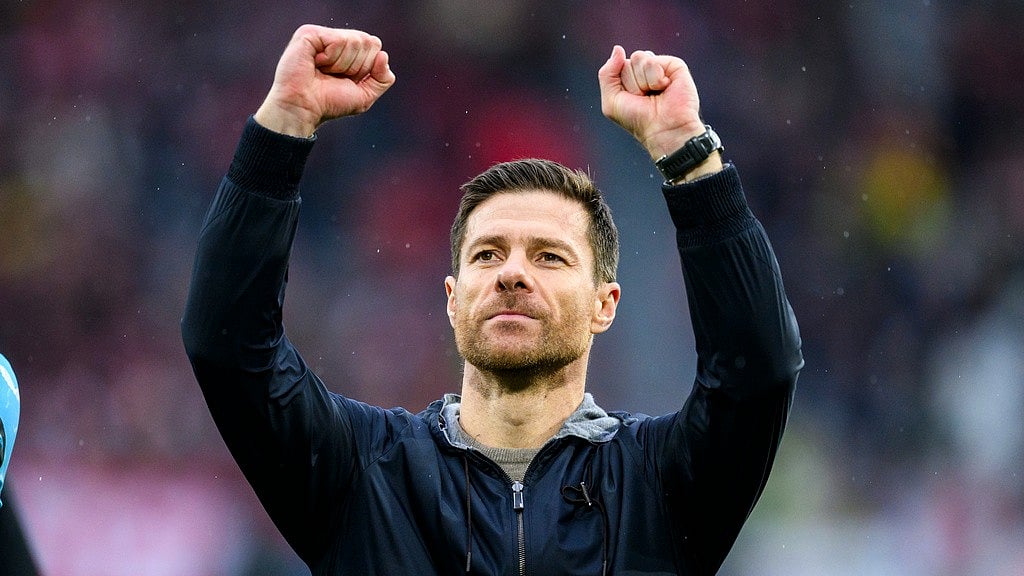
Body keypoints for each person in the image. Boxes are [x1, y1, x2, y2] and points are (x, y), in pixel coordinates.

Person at [182, 24, 803, 575]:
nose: (511, 273)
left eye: (549, 256)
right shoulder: (361, 474)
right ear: (452, 299)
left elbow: (758, 369)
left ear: (604, 304)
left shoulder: (661, 485)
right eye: (487, 254)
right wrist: (283, 123)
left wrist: (690, 157)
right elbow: (229, 344)